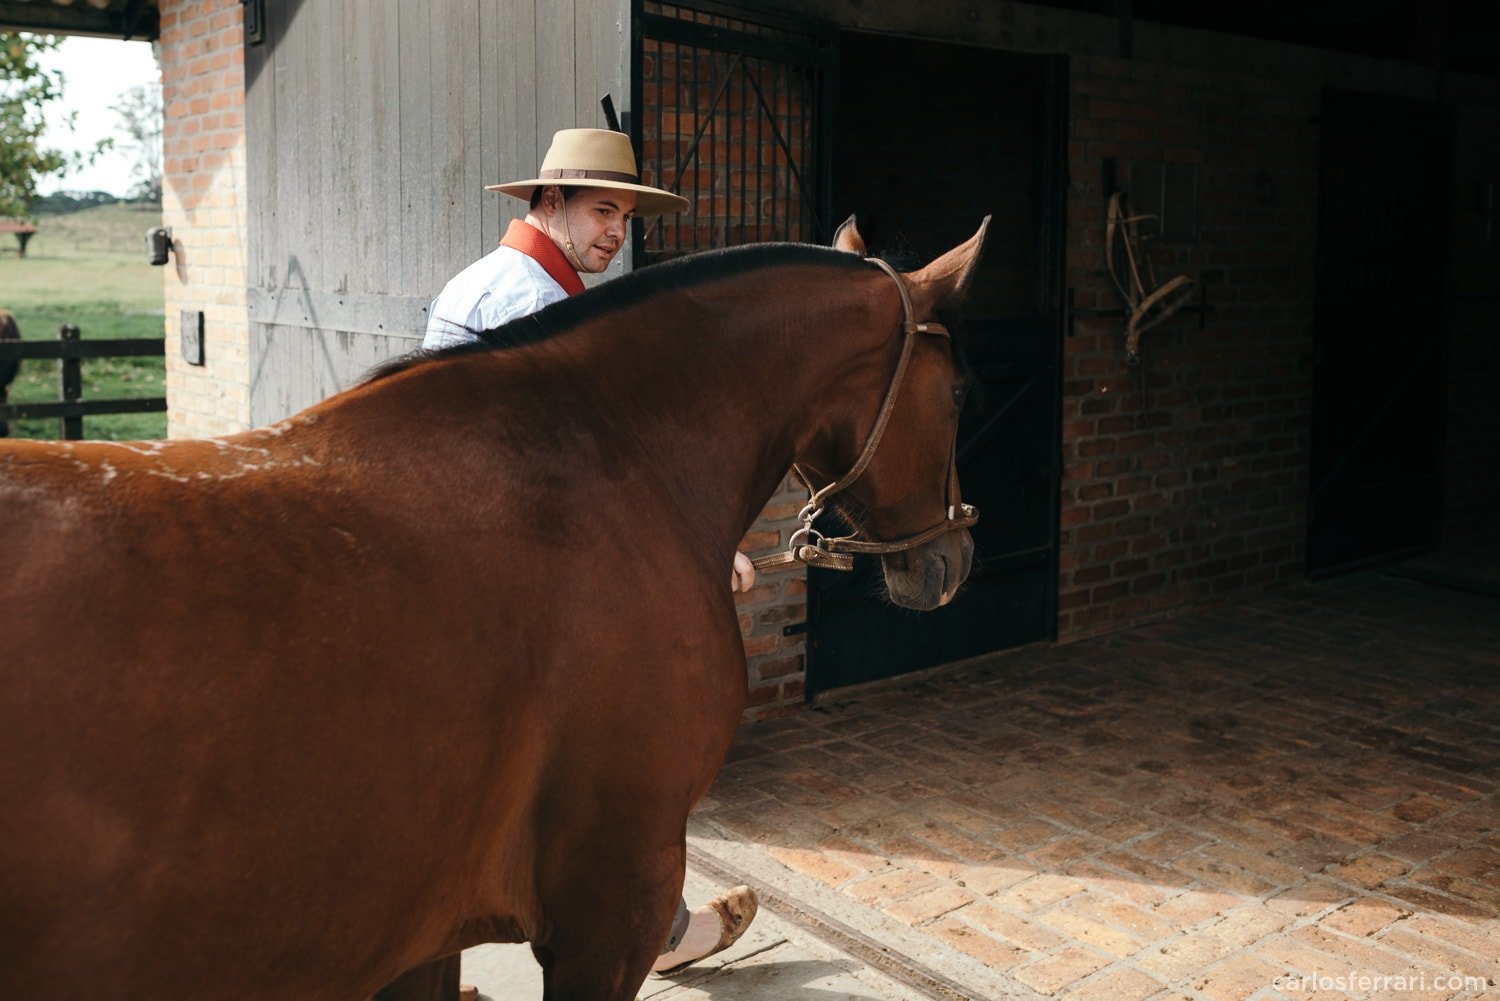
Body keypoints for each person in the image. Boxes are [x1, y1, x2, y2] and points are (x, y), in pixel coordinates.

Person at [422, 128, 760, 978]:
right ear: (549, 204)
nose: (616, 230)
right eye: (601, 210)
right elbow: (573, 466)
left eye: (624, 213)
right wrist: (703, 556)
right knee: (616, 762)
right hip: (512, 578)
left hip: (482, 558)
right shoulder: (535, 300)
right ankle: (652, 925)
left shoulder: (494, 281)